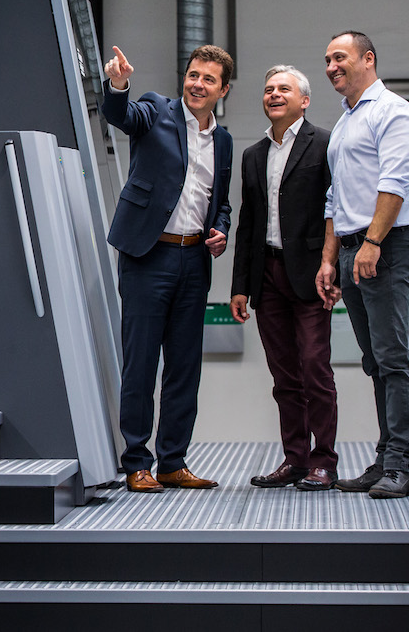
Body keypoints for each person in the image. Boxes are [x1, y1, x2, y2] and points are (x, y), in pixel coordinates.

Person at [101, 44, 233, 493]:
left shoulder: (224, 140)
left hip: (194, 259)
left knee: (184, 366)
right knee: (141, 363)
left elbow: (222, 203)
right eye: (193, 75)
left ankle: (173, 461)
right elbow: (121, 116)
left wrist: (220, 229)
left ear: (223, 89)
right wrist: (119, 85)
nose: (197, 84)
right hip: (147, 255)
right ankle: (136, 461)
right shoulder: (156, 110)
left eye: (208, 79)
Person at [315, 31, 409, 499]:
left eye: (339, 57)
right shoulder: (344, 123)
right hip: (353, 250)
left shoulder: (393, 111)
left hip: (385, 247)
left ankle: (400, 464)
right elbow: (335, 196)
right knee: (375, 361)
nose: (331, 66)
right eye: (327, 60)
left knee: (393, 360)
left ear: (368, 59)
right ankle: (384, 459)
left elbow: (394, 182)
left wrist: (373, 241)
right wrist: (329, 258)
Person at [230, 65, 339, 491]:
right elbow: (247, 222)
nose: (274, 94)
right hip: (267, 276)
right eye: (268, 88)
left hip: (312, 273)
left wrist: (334, 264)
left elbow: (337, 209)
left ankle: (324, 461)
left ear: (304, 100)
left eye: (284, 89)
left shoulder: (325, 144)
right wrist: (241, 285)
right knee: (284, 376)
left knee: (314, 368)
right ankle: (295, 460)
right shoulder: (253, 155)